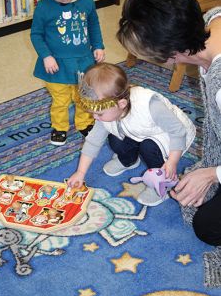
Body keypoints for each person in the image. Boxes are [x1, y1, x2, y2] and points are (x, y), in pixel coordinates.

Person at [117, 0, 221, 287]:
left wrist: (213, 173)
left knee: (207, 226)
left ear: (172, 53)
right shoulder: (213, 19)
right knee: (192, 192)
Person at [67, 62, 195, 206]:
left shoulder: (150, 106)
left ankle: (160, 183)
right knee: (113, 135)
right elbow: (93, 141)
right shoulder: (109, 111)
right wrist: (80, 173)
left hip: (169, 134)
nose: (95, 117)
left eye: (99, 113)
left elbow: (178, 131)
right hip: (138, 130)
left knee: (148, 147)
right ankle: (128, 160)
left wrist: (172, 161)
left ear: (121, 104)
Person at [30, 0, 105, 146]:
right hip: (56, 65)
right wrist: (46, 56)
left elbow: (93, 24)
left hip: (83, 62)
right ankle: (60, 127)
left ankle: (84, 123)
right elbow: (36, 34)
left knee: (84, 97)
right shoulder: (44, 7)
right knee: (60, 100)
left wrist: (98, 45)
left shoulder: (87, 1)